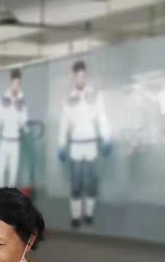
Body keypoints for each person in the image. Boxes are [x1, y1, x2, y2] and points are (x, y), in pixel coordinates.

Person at [58, 60, 112, 229]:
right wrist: (61, 144)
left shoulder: (95, 95)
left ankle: (88, 214)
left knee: (91, 182)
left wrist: (107, 138)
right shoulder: (68, 98)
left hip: (91, 145)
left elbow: (102, 118)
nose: (80, 79)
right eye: (77, 76)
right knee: (76, 183)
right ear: (73, 78)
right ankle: (75, 216)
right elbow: (64, 123)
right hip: (75, 146)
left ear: (85, 76)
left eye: (82, 76)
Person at [0, 68, 29, 188]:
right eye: (14, 83)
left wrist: (25, 127)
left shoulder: (22, 101)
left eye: (18, 84)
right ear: (11, 83)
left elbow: (24, 122)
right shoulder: (3, 100)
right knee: (0, 172)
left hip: (15, 142)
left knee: (14, 172)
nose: (16, 86)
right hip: (4, 141)